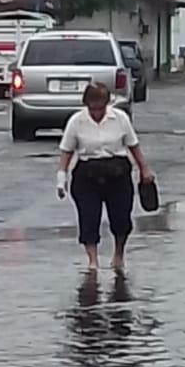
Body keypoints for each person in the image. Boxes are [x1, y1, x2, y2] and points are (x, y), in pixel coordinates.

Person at [56, 82, 155, 272]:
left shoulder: (120, 119)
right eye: (92, 108)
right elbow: (66, 151)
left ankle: (118, 253)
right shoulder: (76, 121)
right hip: (87, 174)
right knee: (88, 217)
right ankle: (92, 260)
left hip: (117, 172)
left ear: (107, 104)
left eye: (100, 107)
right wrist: (62, 178)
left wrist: (144, 169)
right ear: (86, 105)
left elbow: (133, 145)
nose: (96, 112)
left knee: (121, 218)